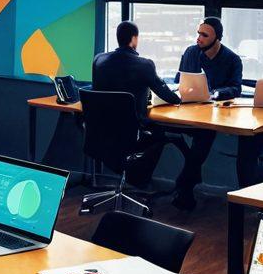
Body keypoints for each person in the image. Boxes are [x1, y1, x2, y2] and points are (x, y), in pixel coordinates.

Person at [91, 20, 181, 187]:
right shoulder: (144, 64)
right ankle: (139, 180)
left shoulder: (99, 60)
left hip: (101, 131)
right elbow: (165, 94)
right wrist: (179, 98)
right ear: (134, 39)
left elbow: (96, 89)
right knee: (160, 133)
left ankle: (129, 178)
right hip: (132, 134)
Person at [172, 17, 243, 210]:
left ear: (217, 38)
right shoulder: (190, 52)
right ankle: (141, 176)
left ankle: (184, 185)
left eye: (204, 35)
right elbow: (179, 79)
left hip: (211, 113)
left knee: (204, 135)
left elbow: (236, 89)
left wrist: (216, 94)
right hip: (185, 109)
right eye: (198, 33)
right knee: (158, 130)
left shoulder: (232, 59)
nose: (199, 38)